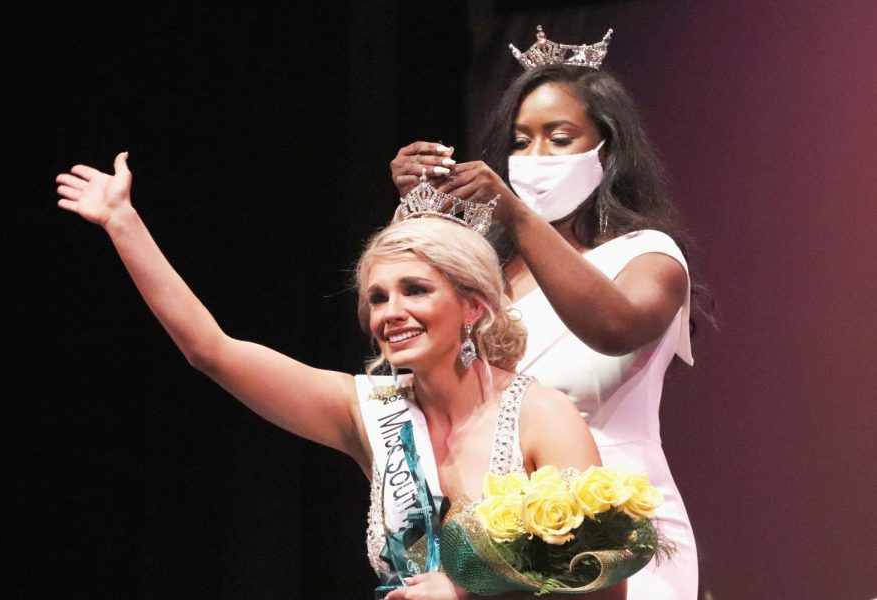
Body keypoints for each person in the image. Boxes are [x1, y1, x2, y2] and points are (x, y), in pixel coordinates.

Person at [55, 153, 626, 600]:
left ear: (473, 307)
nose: (390, 312)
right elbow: (211, 351)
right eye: (376, 298)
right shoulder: (367, 411)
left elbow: (604, 579)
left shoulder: (539, 414)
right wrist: (122, 223)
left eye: (416, 290)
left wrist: (471, 588)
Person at [389, 55, 703, 598]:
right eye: (520, 140)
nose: (535, 158)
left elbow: (613, 329)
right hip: (494, 538)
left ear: (608, 147)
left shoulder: (649, 255)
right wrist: (416, 213)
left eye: (559, 139)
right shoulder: (484, 272)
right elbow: (423, 357)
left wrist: (515, 215)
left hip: (613, 530)